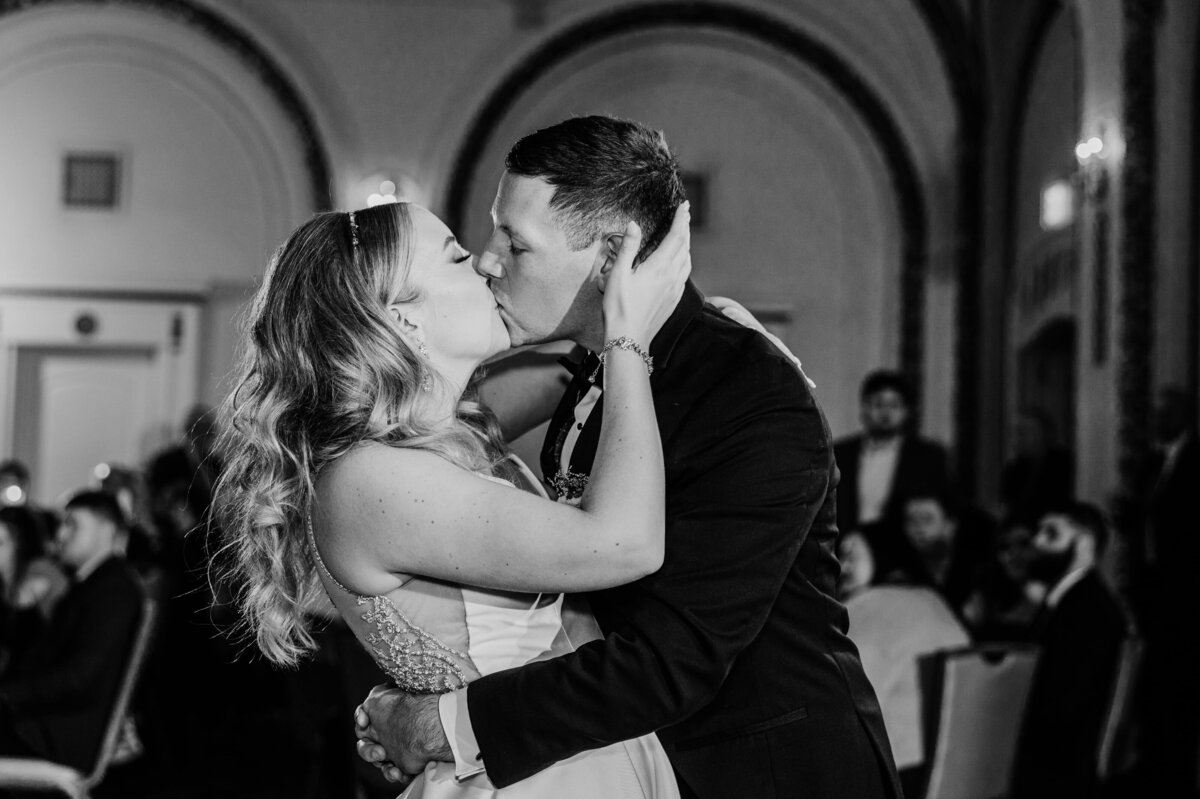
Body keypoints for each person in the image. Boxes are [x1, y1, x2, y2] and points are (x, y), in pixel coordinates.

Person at [354, 116, 900, 799]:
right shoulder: (597, 364)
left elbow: (673, 660)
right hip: (623, 755)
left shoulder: (752, 393)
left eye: (515, 244)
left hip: (760, 769)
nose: (490, 259)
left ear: (611, 257)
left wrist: (446, 724)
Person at [214, 190, 692, 799]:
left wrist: (696, 324)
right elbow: (625, 543)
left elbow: (564, 379)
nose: (490, 265)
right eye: (460, 258)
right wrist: (629, 333)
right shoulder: (371, 480)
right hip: (529, 776)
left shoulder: (433, 442)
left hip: (567, 751)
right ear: (400, 316)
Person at [0, 490, 145, 771]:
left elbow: (79, 679)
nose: (61, 534)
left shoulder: (113, 591)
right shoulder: (93, 584)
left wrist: (8, 695)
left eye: (73, 524)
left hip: (60, 736)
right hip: (48, 723)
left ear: (106, 529)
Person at [1010, 503, 1128, 799]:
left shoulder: (1089, 609)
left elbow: (1062, 705)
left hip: (1058, 771)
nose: (1037, 542)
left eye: (1052, 534)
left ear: (1084, 545)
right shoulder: (1070, 598)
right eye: (1039, 532)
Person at [833, 370, 951, 581]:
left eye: (894, 405)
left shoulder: (926, 455)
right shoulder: (840, 453)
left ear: (906, 411)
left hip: (904, 561)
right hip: (846, 554)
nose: (886, 413)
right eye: (878, 405)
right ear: (865, 408)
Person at [1140, 386, 1200, 796]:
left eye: (1167, 411)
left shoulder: (1196, 460)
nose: (1158, 418)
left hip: (1187, 593)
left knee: (1181, 688)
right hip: (1158, 592)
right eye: (1155, 411)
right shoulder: (1154, 461)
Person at [999, 408, 1073, 527]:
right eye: (1013, 432)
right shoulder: (1014, 469)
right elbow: (1008, 507)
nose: (1016, 438)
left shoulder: (1063, 464)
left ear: (1044, 434)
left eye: (1023, 432)